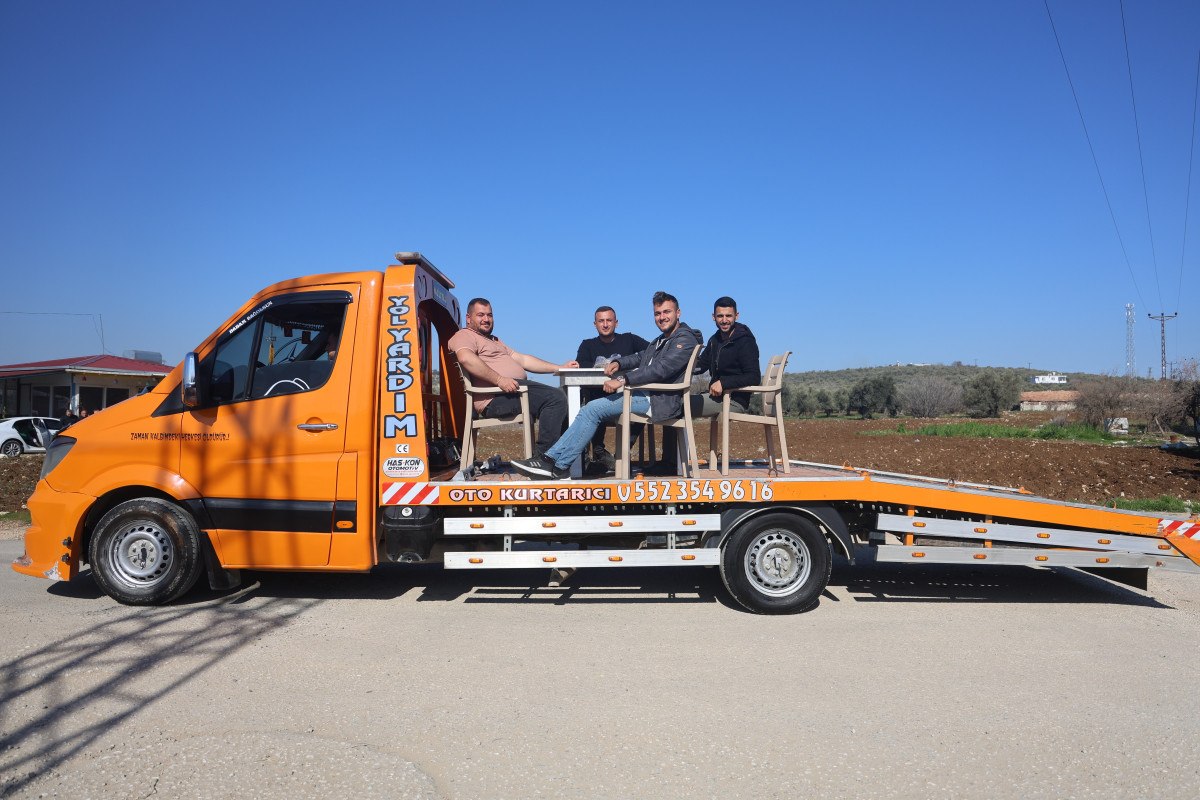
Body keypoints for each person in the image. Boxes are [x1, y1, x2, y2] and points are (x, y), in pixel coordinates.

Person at [511, 291, 702, 480]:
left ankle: (554, 463)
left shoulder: (684, 339)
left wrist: (622, 379)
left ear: (678, 313)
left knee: (592, 409)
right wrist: (619, 363)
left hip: (659, 400)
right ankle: (553, 462)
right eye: (657, 313)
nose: (662, 317)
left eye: (667, 312)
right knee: (590, 408)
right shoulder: (662, 340)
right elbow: (641, 356)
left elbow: (661, 369)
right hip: (648, 395)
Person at [449, 297, 578, 461]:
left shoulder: (495, 341)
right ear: (468, 318)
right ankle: (543, 460)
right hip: (496, 398)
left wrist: (559, 368)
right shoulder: (464, 335)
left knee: (565, 399)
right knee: (555, 398)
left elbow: (523, 360)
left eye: (489, 315)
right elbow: (466, 358)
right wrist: (499, 380)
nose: (486, 319)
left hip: (515, 391)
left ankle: (563, 460)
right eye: (480, 315)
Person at [655, 296, 761, 475]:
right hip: (718, 397)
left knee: (676, 405)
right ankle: (673, 462)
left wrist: (724, 383)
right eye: (720, 316)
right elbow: (700, 365)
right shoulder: (715, 339)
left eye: (728, 316)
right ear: (713, 317)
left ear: (736, 315)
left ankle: (671, 464)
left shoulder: (745, 341)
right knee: (673, 400)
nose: (724, 320)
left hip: (734, 400)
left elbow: (754, 376)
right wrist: (674, 365)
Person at [575, 306, 650, 474]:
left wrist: (625, 365)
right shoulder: (587, 345)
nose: (605, 324)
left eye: (609, 320)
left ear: (616, 323)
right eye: (601, 321)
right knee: (590, 401)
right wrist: (601, 366)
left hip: (627, 396)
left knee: (643, 400)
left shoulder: (629, 339)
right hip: (596, 395)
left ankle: (622, 453)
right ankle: (598, 451)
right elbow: (580, 365)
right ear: (595, 324)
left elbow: (652, 352)